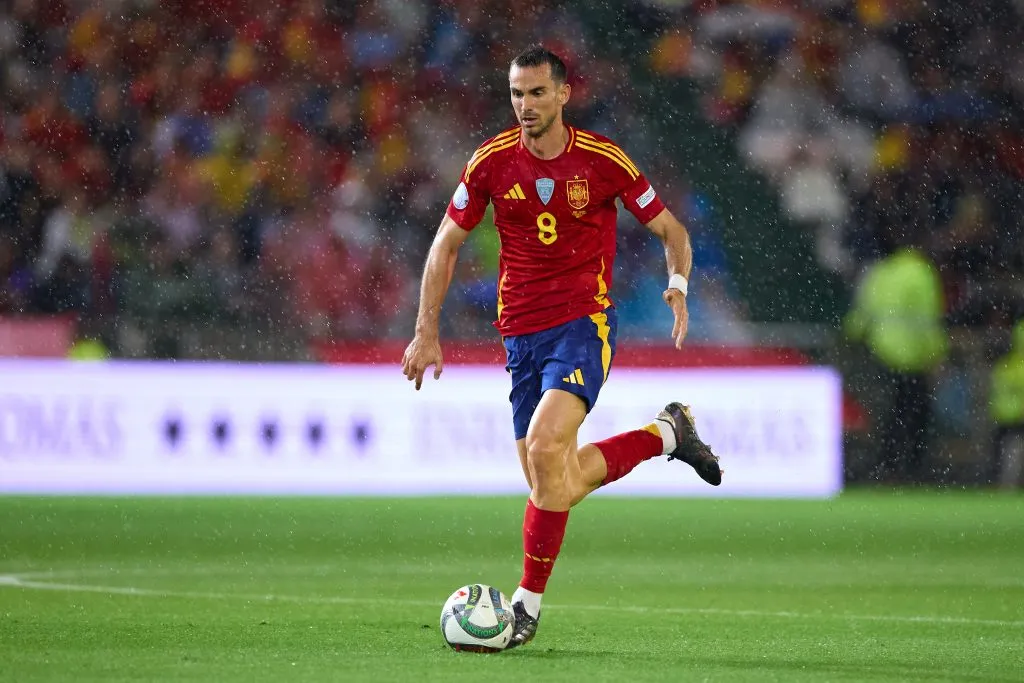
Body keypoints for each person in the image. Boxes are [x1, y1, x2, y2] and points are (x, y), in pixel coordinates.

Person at [402, 46, 722, 649]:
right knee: (556, 482)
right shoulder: (491, 163)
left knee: (549, 447)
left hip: (583, 324)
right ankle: (667, 434)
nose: (525, 105)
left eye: (537, 93)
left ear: (564, 94)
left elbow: (671, 231)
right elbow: (444, 245)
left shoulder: (604, 161)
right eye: (517, 94)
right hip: (520, 337)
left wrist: (677, 286)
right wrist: (426, 329)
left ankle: (525, 609)